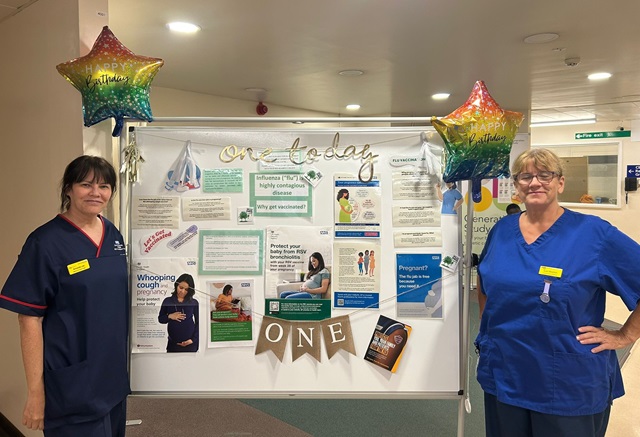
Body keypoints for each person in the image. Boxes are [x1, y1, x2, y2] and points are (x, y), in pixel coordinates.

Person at [475, 148, 640, 437]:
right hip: (506, 375)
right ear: (516, 186)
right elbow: (485, 285)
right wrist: (490, 335)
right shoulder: (502, 230)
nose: (535, 182)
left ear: (560, 183)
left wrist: (624, 336)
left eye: (544, 175)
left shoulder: (594, 235)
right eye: (526, 176)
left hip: (567, 384)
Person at [0, 156, 130, 436]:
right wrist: (36, 393)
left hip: (111, 378)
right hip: (73, 384)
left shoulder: (113, 235)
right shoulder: (45, 242)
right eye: (86, 184)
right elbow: (29, 319)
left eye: (105, 186)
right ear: (68, 189)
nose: (97, 193)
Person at [158, 273, 199, 352]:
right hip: (173, 345)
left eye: (186, 289)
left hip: (190, 345)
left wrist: (193, 339)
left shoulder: (194, 302)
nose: (182, 291)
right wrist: (170, 316)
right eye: (181, 287)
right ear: (176, 285)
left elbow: (199, 323)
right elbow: (160, 319)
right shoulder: (168, 301)